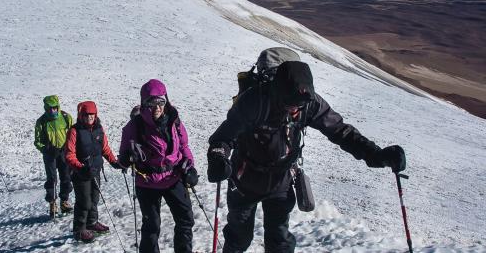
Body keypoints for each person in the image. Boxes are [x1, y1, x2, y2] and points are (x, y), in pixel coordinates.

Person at [207, 59, 407, 253]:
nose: (295, 110)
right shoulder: (255, 100)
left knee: (279, 240)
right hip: (245, 179)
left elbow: (340, 131)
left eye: (299, 106)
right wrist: (218, 157)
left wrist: (376, 155)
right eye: (289, 105)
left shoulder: (309, 102)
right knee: (239, 237)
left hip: (281, 180)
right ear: (278, 92)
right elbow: (224, 137)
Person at [118, 79, 198, 253]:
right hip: (147, 182)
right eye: (151, 103)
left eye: (161, 102)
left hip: (173, 177)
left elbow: (184, 147)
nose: (157, 107)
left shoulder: (174, 121)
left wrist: (190, 167)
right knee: (152, 226)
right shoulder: (134, 127)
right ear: (144, 103)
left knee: (185, 220)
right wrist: (127, 158)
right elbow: (122, 157)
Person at [65, 100, 123, 242]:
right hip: (80, 173)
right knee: (84, 201)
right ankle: (79, 230)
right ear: (81, 115)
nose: (90, 117)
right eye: (87, 115)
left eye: (92, 114)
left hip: (95, 170)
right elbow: (69, 154)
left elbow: (104, 148)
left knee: (94, 199)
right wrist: (81, 168)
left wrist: (114, 161)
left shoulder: (99, 129)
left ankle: (92, 223)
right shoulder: (74, 131)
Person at [34, 95, 74, 217]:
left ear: (58, 107)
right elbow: (37, 141)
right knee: (52, 179)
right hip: (49, 154)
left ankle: (64, 201)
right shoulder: (41, 122)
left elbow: (73, 134)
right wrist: (46, 149)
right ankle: (52, 203)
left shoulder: (66, 117)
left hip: (64, 152)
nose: (53, 111)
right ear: (46, 108)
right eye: (50, 108)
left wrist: (71, 148)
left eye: (55, 108)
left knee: (66, 176)